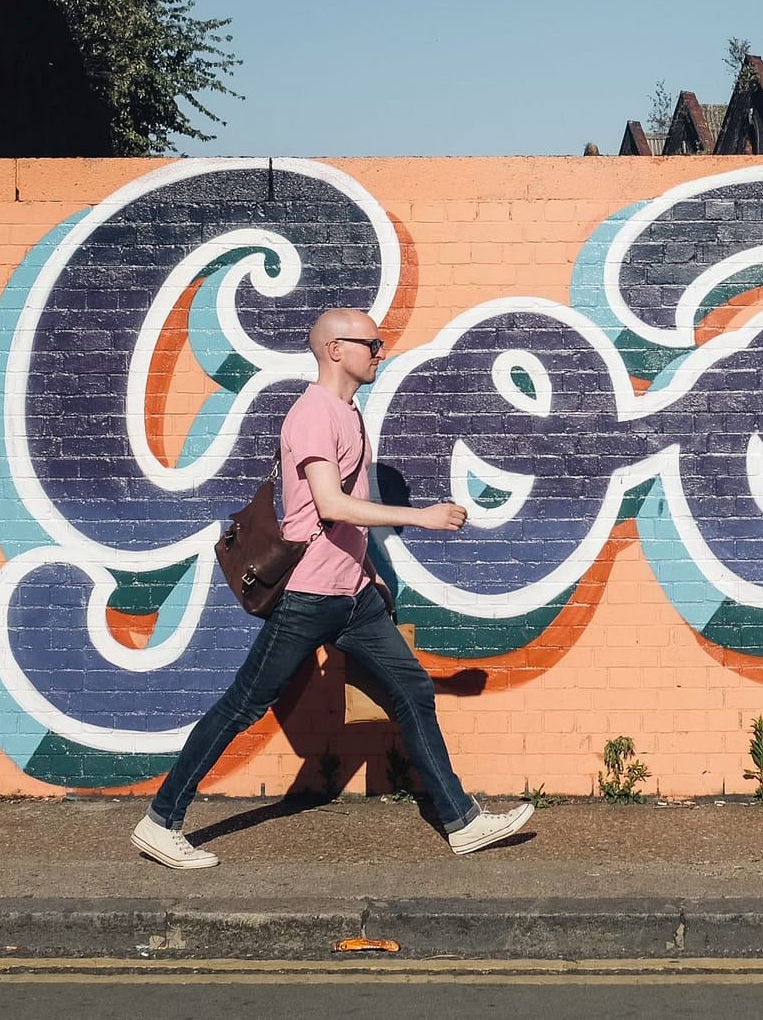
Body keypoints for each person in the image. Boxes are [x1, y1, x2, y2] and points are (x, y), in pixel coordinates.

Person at [131, 308, 535, 868]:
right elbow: (330, 505)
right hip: (309, 596)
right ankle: (161, 820)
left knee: (411, 689)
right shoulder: (313, 414)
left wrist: (365, 573)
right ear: (336, 350)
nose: (381, 351)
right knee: (243, 706)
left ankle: (461, 822)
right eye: (373, 343)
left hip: (352, 598)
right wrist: (421, 517)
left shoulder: (348, 413)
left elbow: (342, 521)